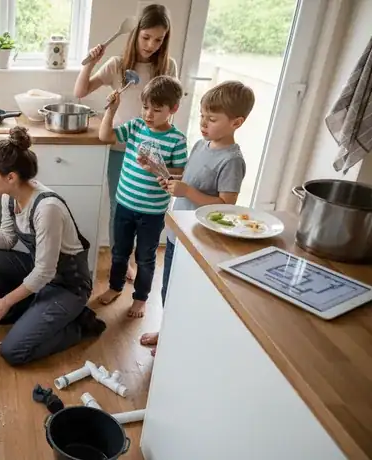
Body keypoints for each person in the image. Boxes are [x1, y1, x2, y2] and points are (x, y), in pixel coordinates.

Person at [0, 127, 106, 366]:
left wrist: (5, 301)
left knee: (14, 352)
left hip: (67, 285)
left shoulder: (47, 208)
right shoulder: (9, 197)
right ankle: (33, 310)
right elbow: (7, 240)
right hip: (42, 274)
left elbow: (45, 272)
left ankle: (79, 324)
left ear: (10, 177)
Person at [141, 80, 255, 355]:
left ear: (236, 123)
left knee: (185, 293)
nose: (203, 123)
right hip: (177, 234)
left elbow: (226, 205)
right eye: (202, 116)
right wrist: (163, 172)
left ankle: (177, 341)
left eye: (212, 119)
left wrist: (187, 191)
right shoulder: (201, 145)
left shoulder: (232, 161)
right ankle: (168, 332)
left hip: (199, 241)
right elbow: (189, 178)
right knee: (168, 289)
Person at [74, 4, 178, 285]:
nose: (151, 45)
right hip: (122, 148)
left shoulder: (167, 67)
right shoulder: (117, 65)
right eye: (146, 37)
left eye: (158, 40)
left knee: (147, 209)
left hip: (153, 151)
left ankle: (140, 260)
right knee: (119, 208)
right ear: (135, 34)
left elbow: (169, 107)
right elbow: (81, 91)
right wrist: (90, 62)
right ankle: (122, 261)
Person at [97, 75, 187, 318]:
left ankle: (140, 298)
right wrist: (111, 110)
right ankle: (115, 287)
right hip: (124, 205)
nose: (149, 114)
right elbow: (105, 137)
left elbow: (180, 172)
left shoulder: (177, 140)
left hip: (153, 211)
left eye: (156, 110)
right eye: (145, 107)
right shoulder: (135, 126)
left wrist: (156, 167)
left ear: (173, 109)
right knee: (119, 252)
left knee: (145, 259)